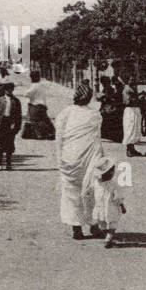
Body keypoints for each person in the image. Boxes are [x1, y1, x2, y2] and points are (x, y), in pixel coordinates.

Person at [55, 81, 103, 240]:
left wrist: (60, 159)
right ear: (89, 98)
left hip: (70, 158)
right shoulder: (95, 115)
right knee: (91, 190)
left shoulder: (65, 113)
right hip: (89, 158)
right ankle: (94, 225)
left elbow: (59, 139)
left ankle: (76, 228)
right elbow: (97, 140)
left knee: (72, 192)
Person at [89, 155, 127, 248]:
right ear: (110, 173)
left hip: (99, 207)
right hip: (111, 207)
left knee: (102, 222)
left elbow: (91, 192)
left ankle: (107, 236)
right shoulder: (114, 184)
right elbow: (118, 197)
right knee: (112, 223)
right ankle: (109, 238)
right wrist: (122, 206)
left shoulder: (96, 182)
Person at [0, 79, 22, 170]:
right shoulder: (0, 100)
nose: (9, 91)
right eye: (7, 89)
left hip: (10, 124)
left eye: (11, 89)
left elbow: (18, 115)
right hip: (1, 123)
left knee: (9, 144)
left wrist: (17, 127)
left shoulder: (16, 101)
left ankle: (8, 163)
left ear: (13, 90)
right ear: (4, 89)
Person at [21, 70, 55, 140]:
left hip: (35, 105)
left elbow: (26, 94)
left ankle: (38, 134)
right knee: (45, 120)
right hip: (43, 105)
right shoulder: (42, 85)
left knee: (34, 121)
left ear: (32, 78)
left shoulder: (34, 86)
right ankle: (52, 132)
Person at [120, 75, 143, 157]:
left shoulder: (133, 89)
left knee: (135, 130)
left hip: (135, 110)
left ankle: (132, 148)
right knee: (129, 129)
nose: (133, 81)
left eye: (134, 79)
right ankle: (128, 149)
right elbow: (127, 102)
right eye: (131, 79)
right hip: (130, 110)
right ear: (128, 81)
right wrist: (138, 98)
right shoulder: (126, 89)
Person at [99, 76, 124, 143]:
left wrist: (104, 98)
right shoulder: (109, 88)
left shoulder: (109, 89)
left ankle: (110, 135)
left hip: (110, 107)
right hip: (109, 107)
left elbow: (110, 98)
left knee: (108, 119)